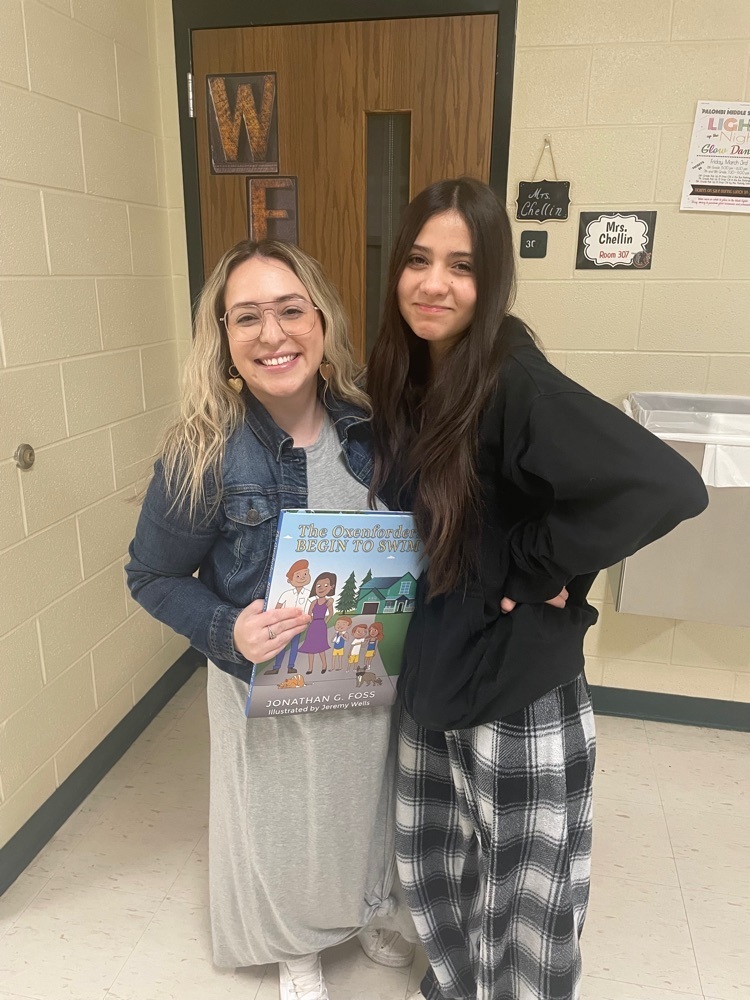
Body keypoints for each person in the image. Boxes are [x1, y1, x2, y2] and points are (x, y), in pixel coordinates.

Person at [366, 177, 709, 1000]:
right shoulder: (410, 374)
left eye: (462, 266)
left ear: (492, 280)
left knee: (526, 901)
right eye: (418, 260)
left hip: (514, 684)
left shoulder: (514, 379)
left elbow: (664, 486)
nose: (434, 284)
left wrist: (534, 567)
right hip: (436, 662)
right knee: (440, 865)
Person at [126, 239, 414, 1000]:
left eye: (290, 310)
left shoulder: (374, 426)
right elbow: (151, 575)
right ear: (223, 336)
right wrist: (229, 630)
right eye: (247, 317)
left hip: (364, 671)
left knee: (366, 802)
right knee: (285, 821)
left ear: (322, 320)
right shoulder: (201, 452)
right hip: (266, 679)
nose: (273, 334)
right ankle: (294, 946)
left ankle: (367, 907)